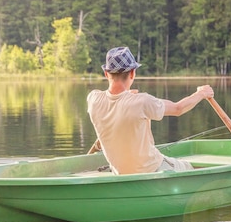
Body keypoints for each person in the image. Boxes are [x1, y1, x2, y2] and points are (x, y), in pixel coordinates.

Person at [87, 46, 214, 175]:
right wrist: (201, 93)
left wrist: (128, 96)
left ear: (106, 73)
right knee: (189, 167)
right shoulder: (143, 101)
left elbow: (115, 102)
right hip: (151, 168)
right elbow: (178, 108)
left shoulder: (93, 99)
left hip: (119, 173)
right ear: (132, 73)